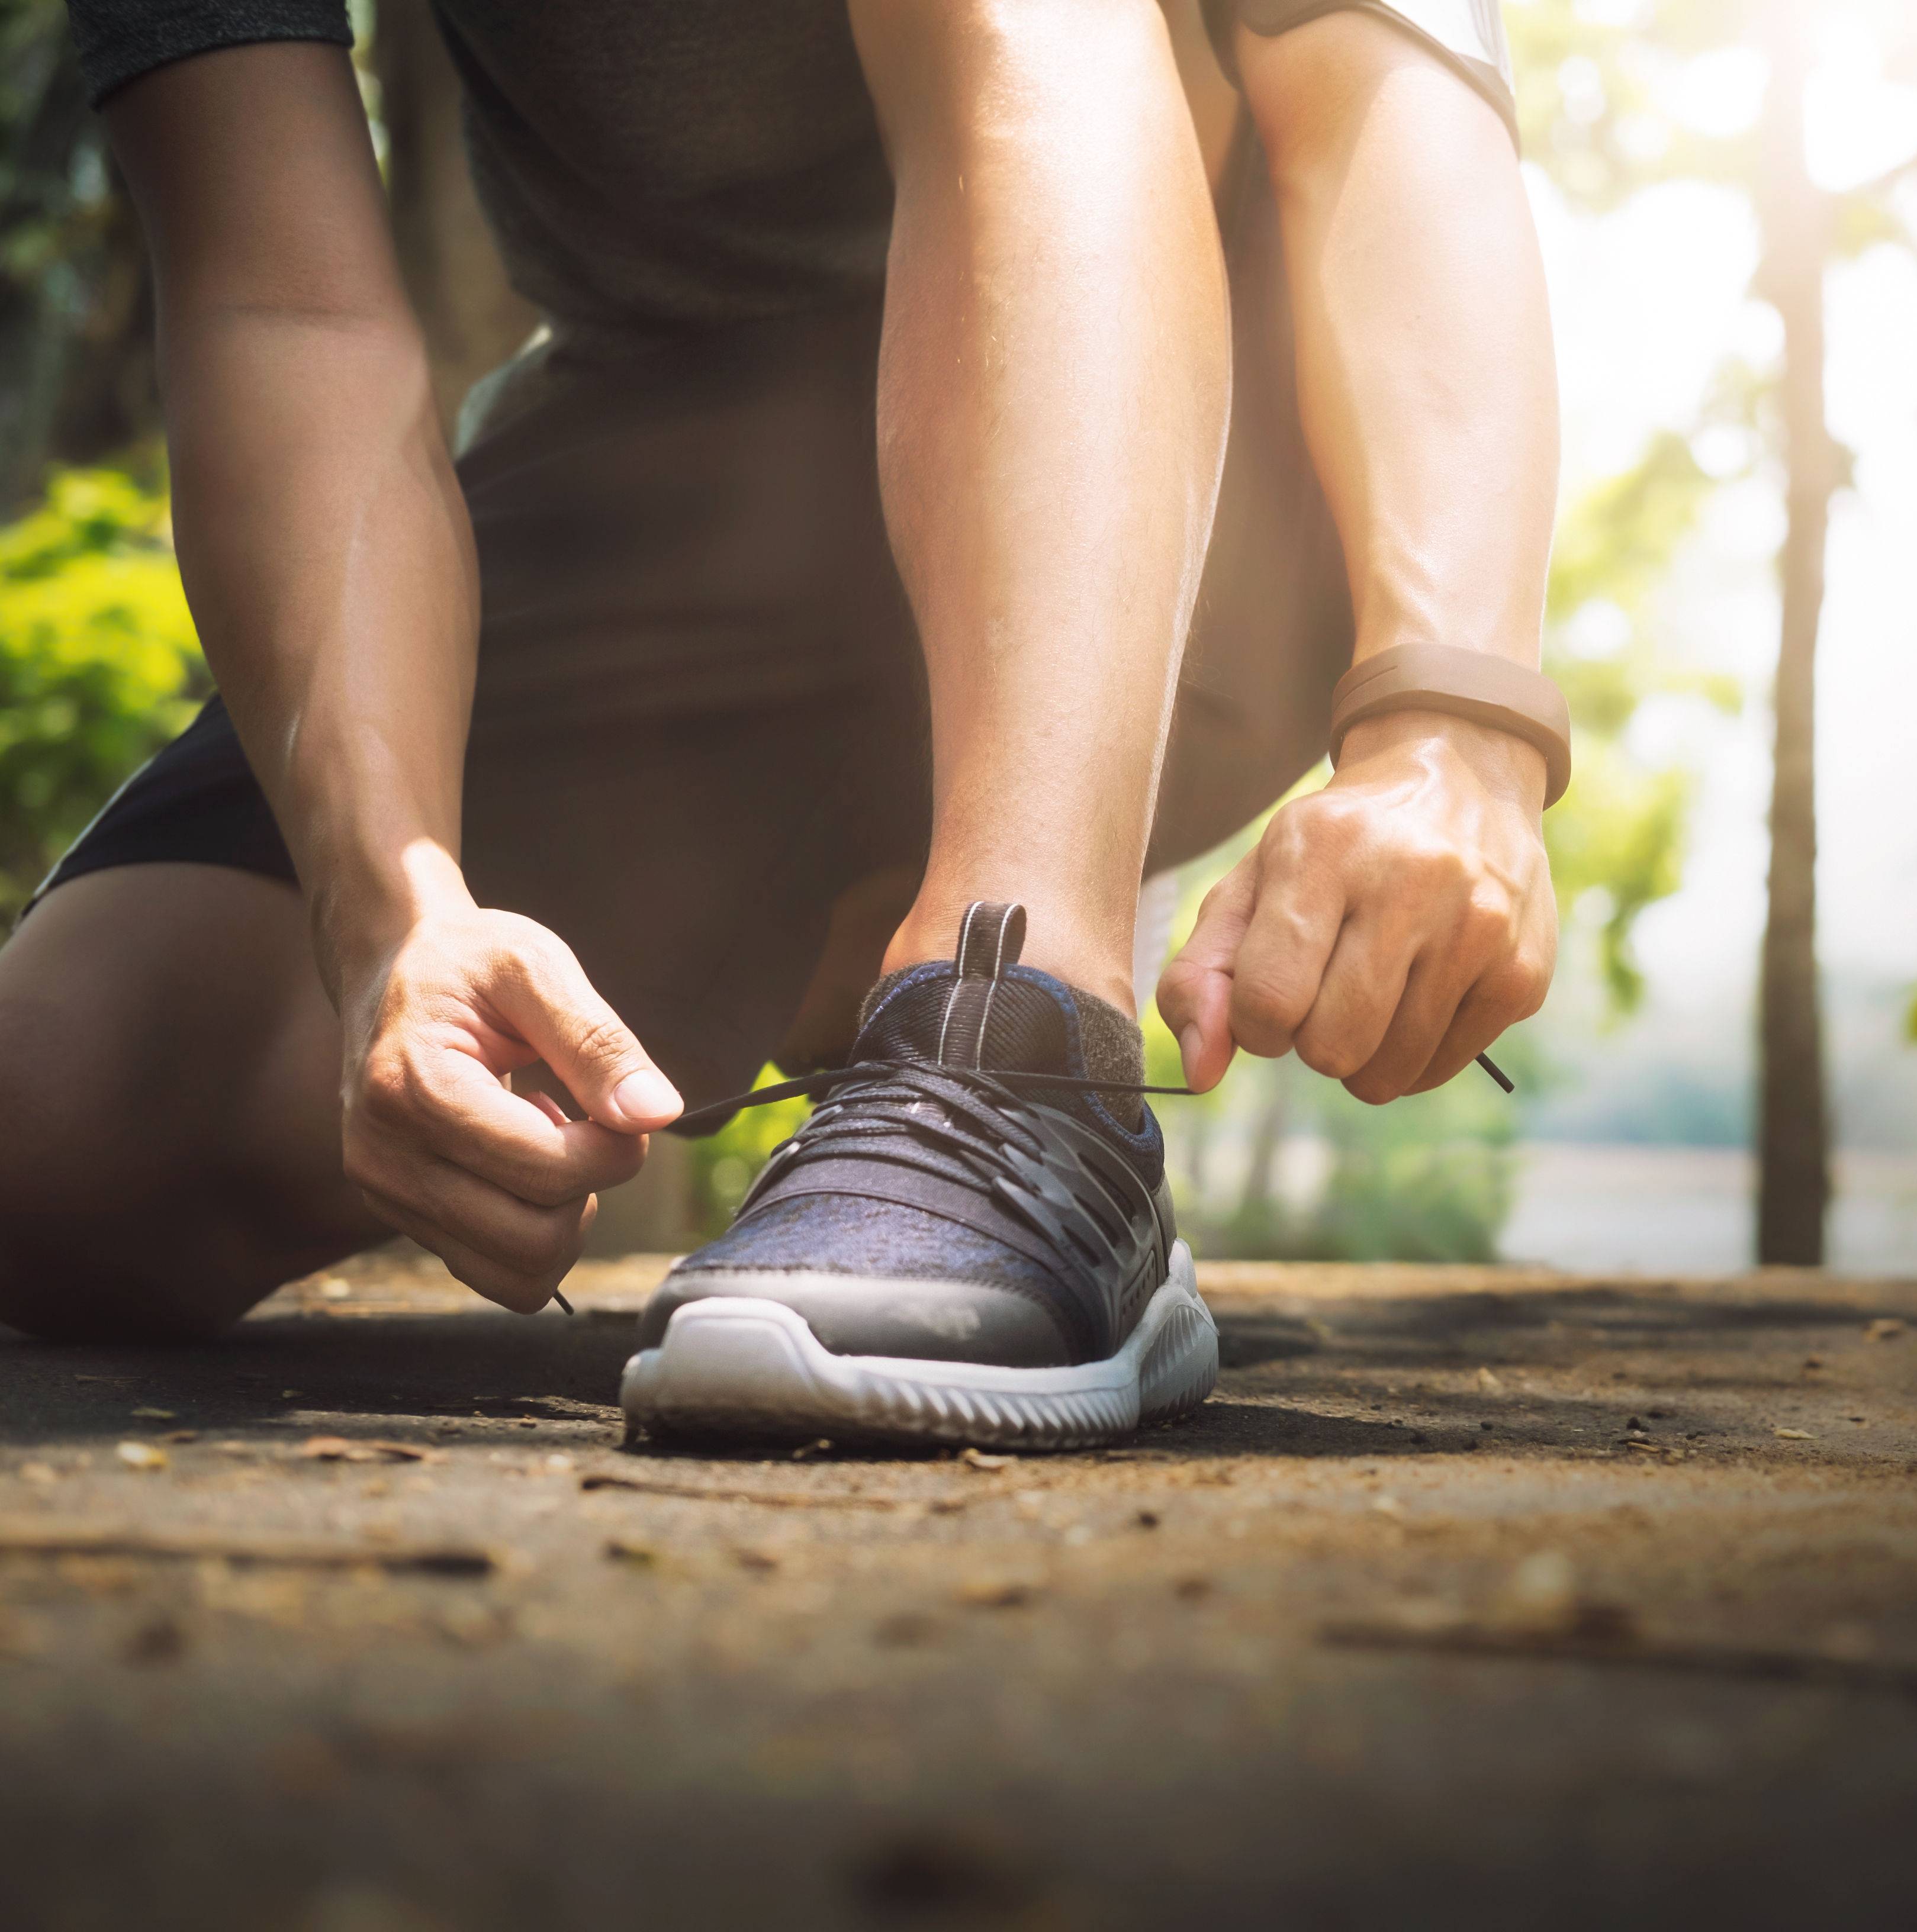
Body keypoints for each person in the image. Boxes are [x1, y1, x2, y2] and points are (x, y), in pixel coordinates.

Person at [0, 0, 1567, 1449]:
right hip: (676, 474)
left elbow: (1375, 79)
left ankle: (1018, 1034)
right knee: (65, 1127)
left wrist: (1453, 724)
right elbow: (285, 308)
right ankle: (835, 936)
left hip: (1223, 471)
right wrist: (387, 915)